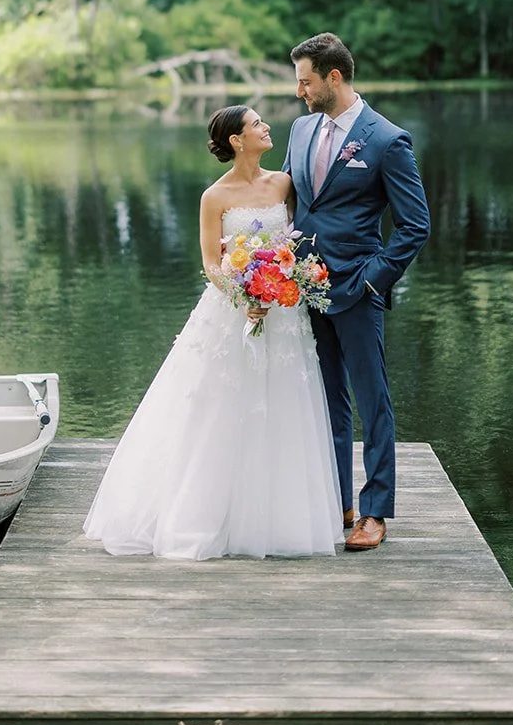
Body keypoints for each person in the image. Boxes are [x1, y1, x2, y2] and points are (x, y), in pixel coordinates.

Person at [83, 105, 343, 560]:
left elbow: (296, 241)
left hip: (283, 311)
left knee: (283, 404)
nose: (267, 128)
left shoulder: (284, 184)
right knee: (219, 404)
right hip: (234, 309)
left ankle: (282, 520)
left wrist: (286, 283)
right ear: (237, 140)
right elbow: (209, 263)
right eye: (257, 124)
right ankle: (203, 513)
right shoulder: (213, 197)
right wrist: (245, 297)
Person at [283, 33, 430, 552]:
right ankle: (338, 500)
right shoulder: (300, 130)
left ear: (333, 77)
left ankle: (375, 511)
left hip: (357, 287)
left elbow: (415, 226)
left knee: (373, 401)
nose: (299, 90)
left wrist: (374, 278)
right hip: (305, 288)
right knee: (327, 401)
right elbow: (291, 201)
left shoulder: (388, 141)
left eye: (305, 80)